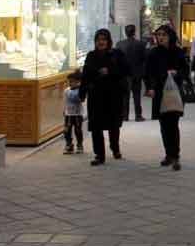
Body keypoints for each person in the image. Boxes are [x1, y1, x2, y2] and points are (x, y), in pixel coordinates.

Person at [80, 29, 130, 166]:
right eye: (98, 40)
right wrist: (82, 93)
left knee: (113, 125)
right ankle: (99, 155)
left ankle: (115, 148)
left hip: (113, 95)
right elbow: (85, 75)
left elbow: (126, 70)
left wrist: (110, 71)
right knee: (96, 126)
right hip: (96, 96)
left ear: (108, 41)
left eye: (103, 39)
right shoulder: (91, 56)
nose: (101, 42)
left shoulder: (116, 54)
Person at [145, 25, 188, 171]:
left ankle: (175, 155)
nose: (161, 37)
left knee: (173, 124)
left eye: (164, 34)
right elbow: (148, 72)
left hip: (174, 92)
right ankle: (168, 154)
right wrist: (150, 87)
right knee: (164, 125)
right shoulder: (153, 53)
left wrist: (177, 73)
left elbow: (186, 70)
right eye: (159, 35)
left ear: (170, 36)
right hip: (159, 92)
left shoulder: (178, 52)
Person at [115, 24, 147, 121]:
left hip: (124, 74)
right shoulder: (141, 44)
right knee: (137, 95)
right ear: (134, 32)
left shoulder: (119, 45)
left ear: (125, 32)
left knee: (125, 96)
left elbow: (117, 60)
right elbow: (144, 59)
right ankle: (138, 115)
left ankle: (125, 115)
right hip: (137, 73)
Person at [62, 70, 84, 154]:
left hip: (77, 114)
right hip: (68, 114)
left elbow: (80, 100)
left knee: (78, 130)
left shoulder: (80, 91)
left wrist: (79, 89)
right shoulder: (66, 90)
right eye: (69, 82)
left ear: (78, 82)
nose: (70, 83)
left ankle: (79, 144)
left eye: (72, 82)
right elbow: (65, 101)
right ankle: (69, 144)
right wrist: (64, 110)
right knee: (67, 130)